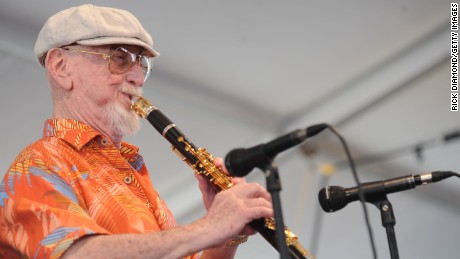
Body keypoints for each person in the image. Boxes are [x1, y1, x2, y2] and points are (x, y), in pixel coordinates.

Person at [0, 4, 273, 258]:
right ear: (60, 66)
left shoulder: (131, 173)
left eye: (141, 63)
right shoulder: (39, 164)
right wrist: (209, 227)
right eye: (120, 58)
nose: (138, 78)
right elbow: (77, 254)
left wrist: (227, 237)